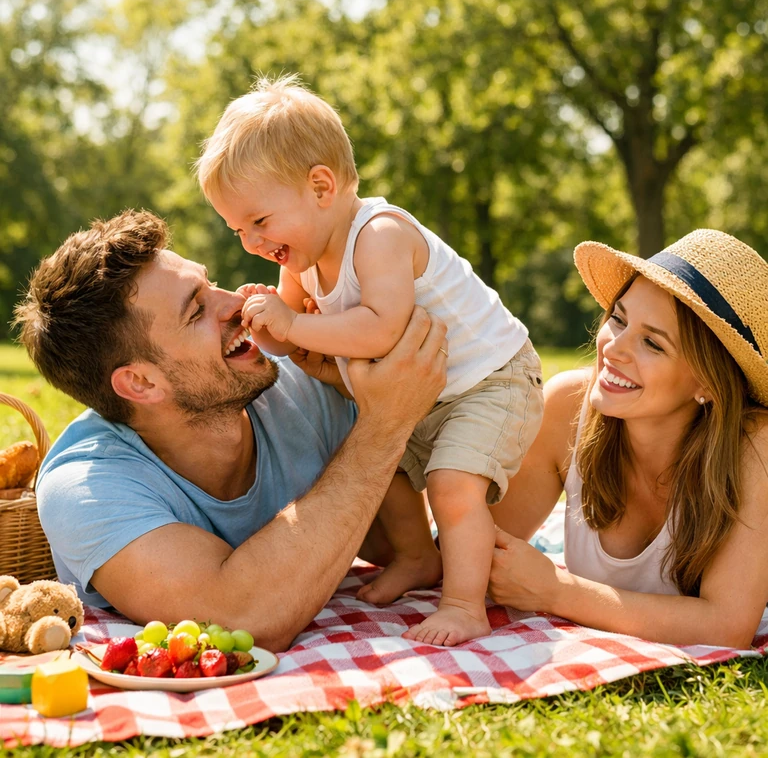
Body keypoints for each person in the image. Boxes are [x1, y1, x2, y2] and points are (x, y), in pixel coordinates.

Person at [195, 75, 544, 647]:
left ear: (322, 186)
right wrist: (268, 322)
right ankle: (416, 558)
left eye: (259, 221)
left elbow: (382, 328)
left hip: (491, 381)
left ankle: (464, 605)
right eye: (237, 229)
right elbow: (291, 335)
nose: (250, 242)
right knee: (373, 460)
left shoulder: (379, 235)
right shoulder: (303, 254)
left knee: (452, 484)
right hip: (425, 390)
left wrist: (295, 323)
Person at [13, 209, 448, 653]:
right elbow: (244, 619)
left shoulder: (307, 379)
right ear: (141, 383)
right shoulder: (86, 487)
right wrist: (384, 424)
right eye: (198, 310)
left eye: (210, 282)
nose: (237, 304)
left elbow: (395, 536)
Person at [488, 229, 768, 647]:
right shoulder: (567, 406)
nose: (614, 348)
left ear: (707, 383)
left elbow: (726, 627)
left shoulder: (754, 447)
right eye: (618, 318)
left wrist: (556, 591)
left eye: (652, 343)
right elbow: (477, 551)